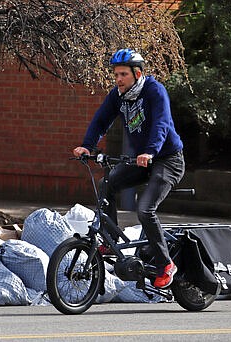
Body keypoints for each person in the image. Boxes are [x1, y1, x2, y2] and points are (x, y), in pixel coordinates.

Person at [72, 48, 184, 288]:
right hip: (141, 160)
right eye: (116, 74)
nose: (118, 79)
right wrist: (87, 146)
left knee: (145, 210)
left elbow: (161, 124)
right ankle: (110, 239)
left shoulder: (154, 91)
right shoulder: (118, 95)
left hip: (168, 159)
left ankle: (166, 264)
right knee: (107, 184)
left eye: (123, 74)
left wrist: (150, 151)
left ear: (137, 73)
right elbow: (101, 120)